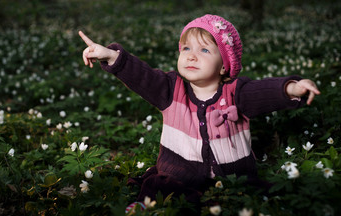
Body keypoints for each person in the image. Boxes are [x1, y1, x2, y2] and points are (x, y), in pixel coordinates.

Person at [79, 14, 320, 213]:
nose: (191, 55)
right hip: (179, 173)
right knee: (160, 187)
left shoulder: (238, 93)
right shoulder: (170, 90)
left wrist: (292, 88)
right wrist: (111, 56)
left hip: (233, 177)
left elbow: (266, 91)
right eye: (186, 48)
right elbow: (143, 76)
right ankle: (146, 207)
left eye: (205, 50)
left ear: (224, 65)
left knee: (255, 195)